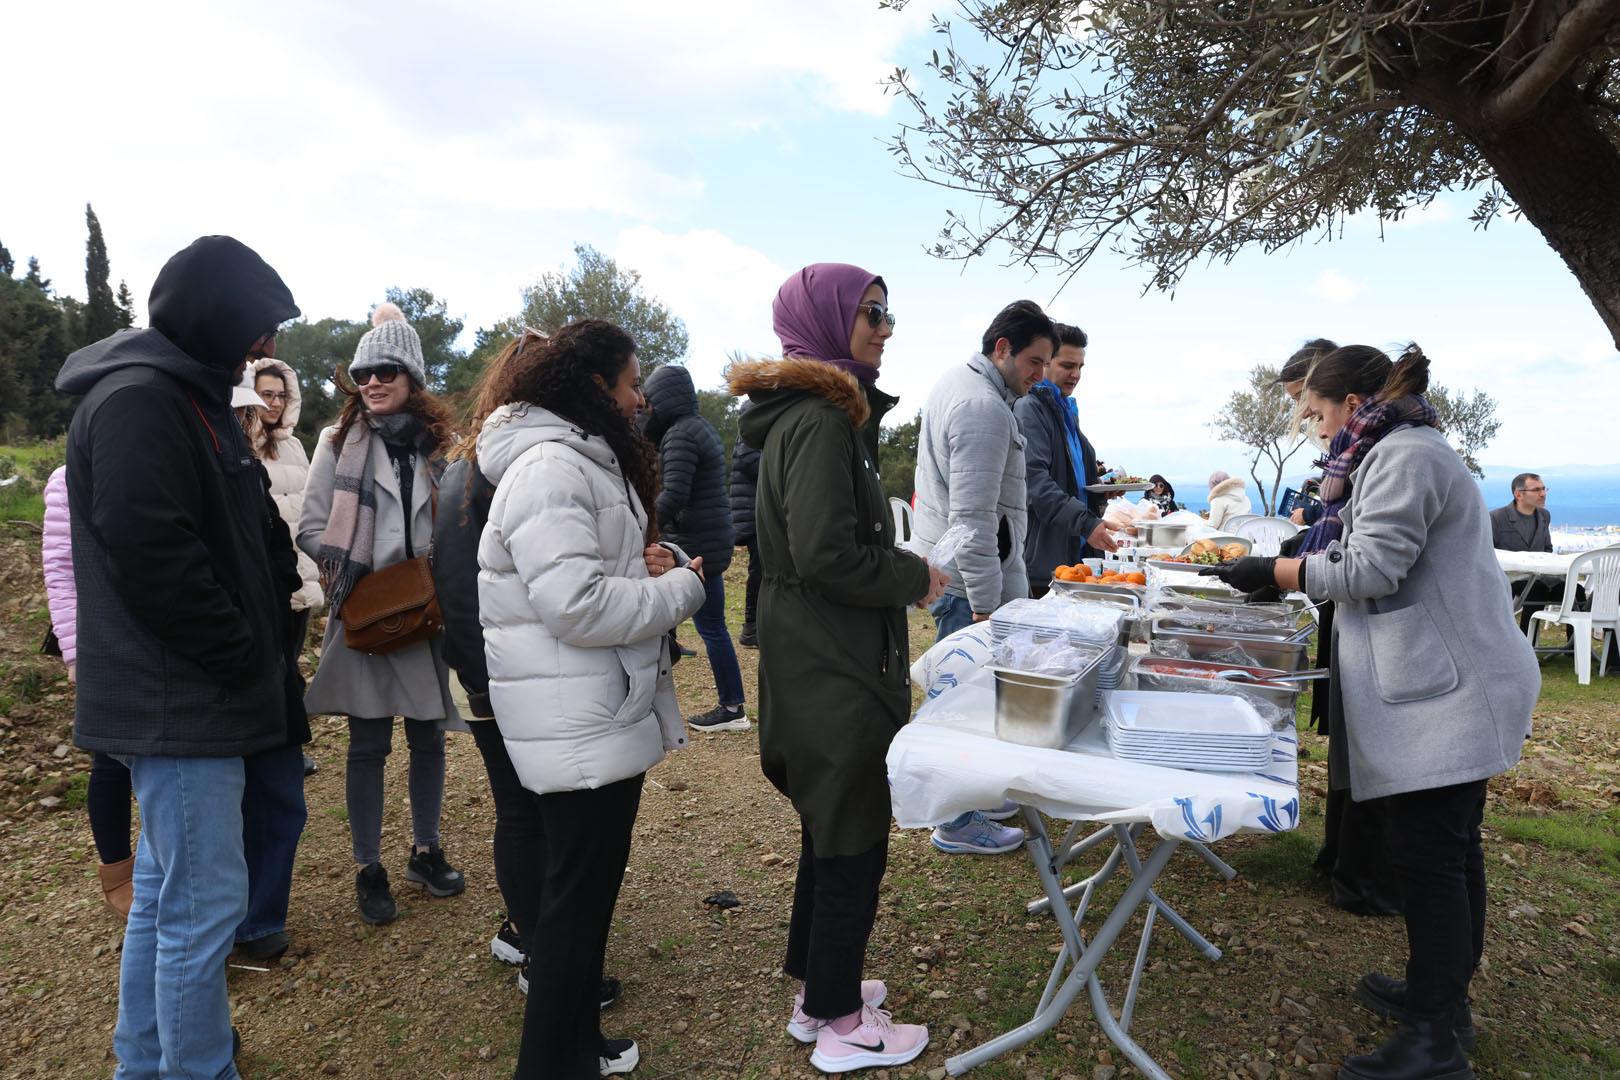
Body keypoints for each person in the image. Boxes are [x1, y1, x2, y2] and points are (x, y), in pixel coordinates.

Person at [1203, 344, 1539, 1080]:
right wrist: (1295, 557)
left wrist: (1278, 570)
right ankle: (1440, 1001)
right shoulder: (1387, 453)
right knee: (1446, 850)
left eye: (1317, 412)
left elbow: (1369, 569)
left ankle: (1434, 1041)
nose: (1313, 427)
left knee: (1431, 858)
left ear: (1352, 407)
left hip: (1454, 687)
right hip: (1441, 682)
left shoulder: (1406, 456)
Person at [56, 234, 303, 1078]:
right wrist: (241, 657)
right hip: (181, 704)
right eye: (255, 329)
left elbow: (243, 534)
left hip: (188, 699)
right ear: (215, 319)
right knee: (201, 913)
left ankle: (144, 1064)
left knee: (165, 902)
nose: (261, 349)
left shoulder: (187, 397)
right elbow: (155, 555)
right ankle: (200, 1070)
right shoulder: (140, 402)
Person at [475, 318, 706, 1078]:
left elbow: (590, 575)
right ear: (593, 386)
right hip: (576, 723)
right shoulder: (551, 468)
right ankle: (549, 1065)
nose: (641, 398)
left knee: (584, 901)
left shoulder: (576, 461)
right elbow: (576, 605)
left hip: (588, 713)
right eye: (632, 381)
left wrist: (653, 562)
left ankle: (576, 1046)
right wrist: (683, 586)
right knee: (573, 911)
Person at [728, 263, 943, 1073]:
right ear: (825, 322)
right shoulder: (820, 422)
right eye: (872, 315)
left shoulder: (814, 416)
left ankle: (819, 989)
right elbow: (825, 554)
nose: (885, 329)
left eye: (890, 315)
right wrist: (913, 576)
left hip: (817, 646)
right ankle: (841, 1025)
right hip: (832, 658)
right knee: (851, 828)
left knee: (832, 822)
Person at [432, 329, 624, 1012]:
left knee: (525, 810)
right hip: (495, 670)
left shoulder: (481, 456)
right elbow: (458, 580)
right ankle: (543, 953)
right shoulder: (496, 465)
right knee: (526, 812)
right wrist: (487, 679)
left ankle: (526, 930)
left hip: (492, 665)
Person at [299, 303, 466, 926]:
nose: (371, 381)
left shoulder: (444, 445)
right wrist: (362, 572)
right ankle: (368, 866)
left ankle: (426, 850)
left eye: (386, 370)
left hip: (426, 614)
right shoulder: (337, 441)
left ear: (412, 377)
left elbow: (459, 520)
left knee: (428, 738)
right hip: (369, 613)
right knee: (367, 745)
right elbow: (312, 526)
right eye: (364, 371)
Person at [911, 300, 1055, 855]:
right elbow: (973, 522)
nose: (1039, 374)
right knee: (963, 704)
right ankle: (957, 819)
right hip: (971, 584)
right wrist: (986, 608)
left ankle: (971, 796)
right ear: (1002, 349)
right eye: (1035, 362)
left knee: (962, 697)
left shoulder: (960, 383)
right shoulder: (984, 408)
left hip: (951, 571)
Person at [42, 465, 135, 918]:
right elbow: (60, 567)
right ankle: (117, 868)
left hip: (165, 629)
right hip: (101, 635)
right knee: (111, 756)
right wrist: (76, 651)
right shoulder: (68, 476)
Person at [642, 364, 747, 733]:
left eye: (649, 402)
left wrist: (643, 526)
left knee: (712, 628)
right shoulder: (696, 427)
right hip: (710, 538)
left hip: (697, 543)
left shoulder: (680, 434)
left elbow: (674, 494)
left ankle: (732, 707)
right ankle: (733, 704)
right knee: (706, 625)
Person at [244, 356, 326, 776]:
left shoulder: (293, 445)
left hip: (298, 571)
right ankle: (269, 748)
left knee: (290, 664)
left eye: (280, 395)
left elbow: (308, 510)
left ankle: (290, 748)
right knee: (268, 664)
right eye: (265, 394)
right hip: (260, 575)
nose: (273, 403)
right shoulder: (238, 441)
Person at [1015, 322, 1119, 596]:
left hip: (1075, 560)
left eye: (1080, 367)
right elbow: (1035, 484)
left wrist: (1101, 492)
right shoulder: (1029, 408)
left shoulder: (1065, 410)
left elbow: (1071, 482)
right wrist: (1087, 523)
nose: (1076, 375)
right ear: (1046, 362)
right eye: (1068, 366)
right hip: (1044, 567)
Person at [730, 399, 762, 648]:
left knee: (762, 569)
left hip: (755, 510)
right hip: (753, 512)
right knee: (760, 570)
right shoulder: (750, 433)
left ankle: (756, 626)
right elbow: (752, 463)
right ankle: (751, 627)